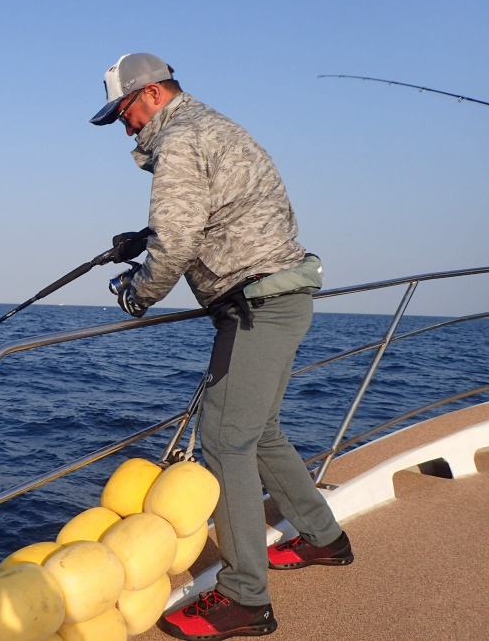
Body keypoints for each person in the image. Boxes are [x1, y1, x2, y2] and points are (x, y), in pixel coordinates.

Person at [91, 53, 354, 640]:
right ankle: (324, 537)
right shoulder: (213, 125)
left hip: (255, 305)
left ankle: (244, 599)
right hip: (283, 296)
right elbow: (221, 212)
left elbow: (180, 240)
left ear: (153, 93)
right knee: (260, 432)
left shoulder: (179, 139)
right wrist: (146, 238)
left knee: (225, 441)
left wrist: (137, 293)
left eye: (125, 112)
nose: (125, 127)